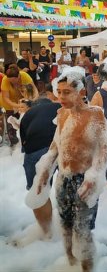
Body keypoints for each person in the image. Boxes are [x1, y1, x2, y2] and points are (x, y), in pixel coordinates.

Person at [34, 68, 107, 272]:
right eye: (59, 91)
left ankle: (88, 268)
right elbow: (56, 146)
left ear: (81, 92)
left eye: (66, 92)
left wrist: (94, 175)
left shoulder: (95, 115)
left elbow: (105, 148)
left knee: (83, 230)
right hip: (63, 179)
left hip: (84, 181)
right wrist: (44, 170)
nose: (60, 96)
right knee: (66, 227)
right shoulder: (61, 114)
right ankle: (71, 265)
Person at [18, 97, 61, 243]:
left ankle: (47, 234)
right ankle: (71, 231)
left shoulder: (28, 115)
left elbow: (24, 145)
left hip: (36, 150)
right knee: (69, 184)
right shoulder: (61, 106)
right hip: (64, 145)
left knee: (38, 192)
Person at [1, 65, 39, 146]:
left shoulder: (25, 76)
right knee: (11, 125)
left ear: (19, 76)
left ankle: (28, 140)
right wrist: (18, 106)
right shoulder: (5, 80)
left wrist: (33, 100)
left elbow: (35, 90)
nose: (13, 83)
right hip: (9, 103)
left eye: (15, 80)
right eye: (11, 81)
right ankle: (14, 143)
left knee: (27, 122)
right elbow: (6, 98)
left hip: (23, 100)